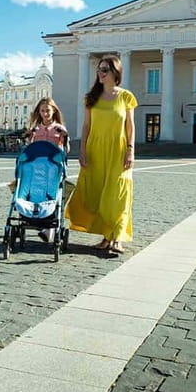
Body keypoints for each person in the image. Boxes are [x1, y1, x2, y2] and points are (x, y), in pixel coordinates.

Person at [65, 55, 137, 254]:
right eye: (99, 69)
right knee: (98, 194)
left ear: (116, 73)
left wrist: (130, 151)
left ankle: (118, 238)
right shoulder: (91, 98)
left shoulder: (126, 97)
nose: (100, 73)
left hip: (119, 151)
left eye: (105, 69)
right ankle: (107, 237)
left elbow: (130, 127)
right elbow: (86, 126)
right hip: (95, 151)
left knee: (118, 194)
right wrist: (82, 151)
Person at [16, 97, 71, 243]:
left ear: (53, 111)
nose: (45, 113)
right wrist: (29, 136)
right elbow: (29, 148)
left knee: (55, 194)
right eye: (42, 111)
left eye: (47, 110)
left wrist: (65, 137)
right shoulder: (35, 129)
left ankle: (50, 228)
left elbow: (66, 150)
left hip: (53, 167)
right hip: (36, 167)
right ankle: (29, 217)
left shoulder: (59, 129)